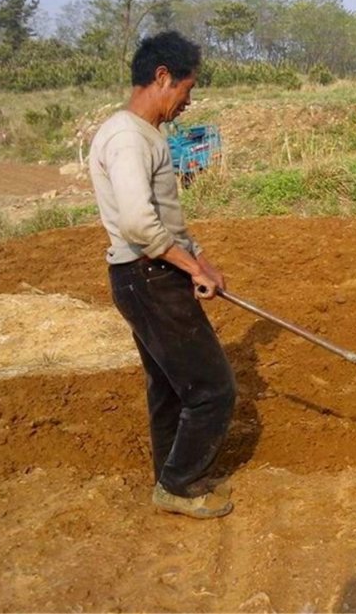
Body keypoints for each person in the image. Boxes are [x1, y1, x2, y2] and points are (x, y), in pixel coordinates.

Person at [88, 31, 236, 519]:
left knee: (171, 386)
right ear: (162, 77)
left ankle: (169, 476)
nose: (187, 104)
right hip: (148, 276)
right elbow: (138, 222)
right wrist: (191, 266)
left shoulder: (140, 135)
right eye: (186, 91)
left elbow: (164, 218)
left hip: (147, 274)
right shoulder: (129, 137)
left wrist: (199, 260)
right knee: (213, 390)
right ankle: (179, 483)